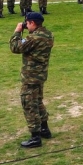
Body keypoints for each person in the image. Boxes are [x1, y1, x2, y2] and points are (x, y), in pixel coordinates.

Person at [10, 12, 54, 148]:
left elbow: (15, 47)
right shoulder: (48, 34)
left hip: (30, 77)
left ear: (32, 23)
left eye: (27, 23)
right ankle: (44, 129)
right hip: (40, 75)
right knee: (38, 102)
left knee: (29, 104)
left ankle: (35, 137)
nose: (26, 25)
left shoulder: (33, 38)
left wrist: (17, 32)